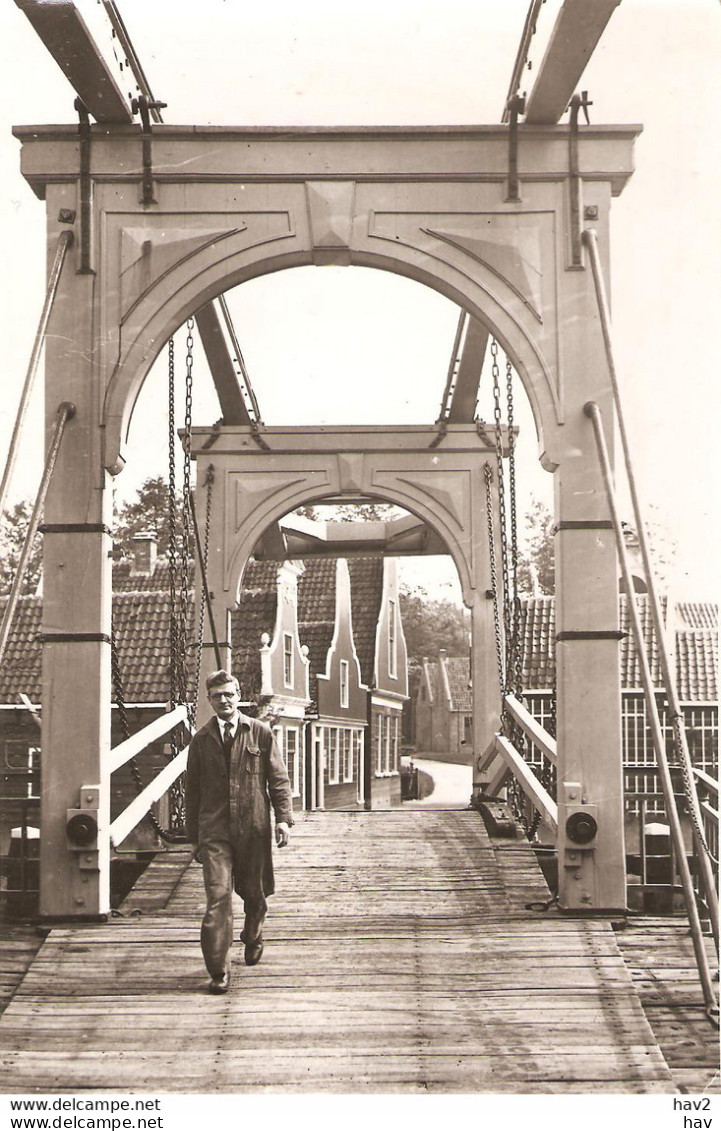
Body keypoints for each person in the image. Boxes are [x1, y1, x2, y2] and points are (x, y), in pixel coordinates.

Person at [185, 669, 293, 994]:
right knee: (217, 899)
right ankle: (218, 971)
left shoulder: (259, 733)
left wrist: (283, 819)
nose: (224, 701)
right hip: (214, 832)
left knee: (255, 895)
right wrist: (194, 840)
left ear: (238, 694)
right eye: (217, 696)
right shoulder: (201, 741)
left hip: (253, 829)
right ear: (209, 700)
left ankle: (254, 933)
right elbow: (192, 793)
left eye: (229, 694)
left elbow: (278, 779)